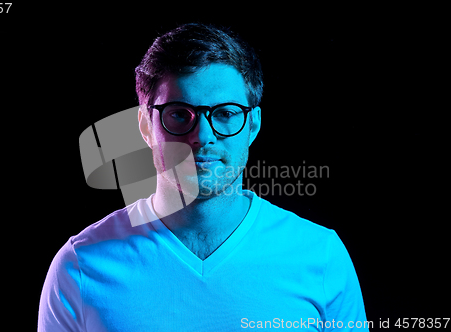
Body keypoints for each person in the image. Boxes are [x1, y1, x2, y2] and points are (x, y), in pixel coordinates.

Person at [38, 23, 369, 331]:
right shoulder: (79, 267)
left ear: (252, 125)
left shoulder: (320, 256)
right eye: (180, 115)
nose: (202, 136)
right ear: (145, 127)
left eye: (225, 114)